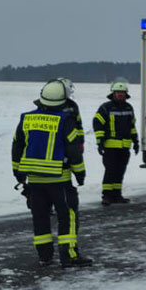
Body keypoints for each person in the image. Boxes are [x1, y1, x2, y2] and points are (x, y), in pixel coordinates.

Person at [12, 80, 92, 267]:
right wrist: (80, 174)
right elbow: (74, 152)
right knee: (68, 216)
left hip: (34, 182)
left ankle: (45, 256)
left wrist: (18, 173)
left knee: (40, 218)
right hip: (60, 181)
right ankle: (69, 255)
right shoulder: (66, 121)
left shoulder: (26, 119)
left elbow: (17, 147)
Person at [93, 79, 139, 205]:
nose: (120, 94)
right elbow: (97, 124)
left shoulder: (129, 108)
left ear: (126, 94)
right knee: (110, 171)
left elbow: (132, 126)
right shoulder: (105, 108)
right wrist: (100, 142)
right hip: (110, 146)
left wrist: (136, 142)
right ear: (113, 94)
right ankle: (106, 196)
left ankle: (117, 194)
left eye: (122, 92)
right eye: (118, 92)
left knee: (120, 171)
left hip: (125, 146)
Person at [55, 78, 85, 230]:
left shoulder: (73, 106)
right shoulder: (51, 106)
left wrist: (80, 142)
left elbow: (78, 126)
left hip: (71, 147)